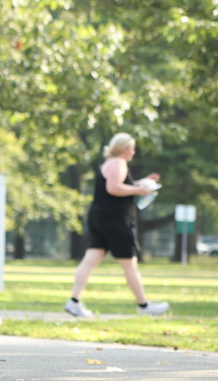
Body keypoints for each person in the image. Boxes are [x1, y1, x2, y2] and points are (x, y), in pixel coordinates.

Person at [66, 132, 169, 318]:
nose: (133, 152)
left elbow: (120, 184)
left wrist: (142, 183)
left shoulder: (109, 164)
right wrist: (139, 190)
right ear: (124, 149)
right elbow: (113, 188)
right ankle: (144, 306)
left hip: (100, 219)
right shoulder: (118, 163)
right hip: (116, 221)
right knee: (130, 265)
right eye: (132, 148)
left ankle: (74, 302)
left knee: (89, 261)